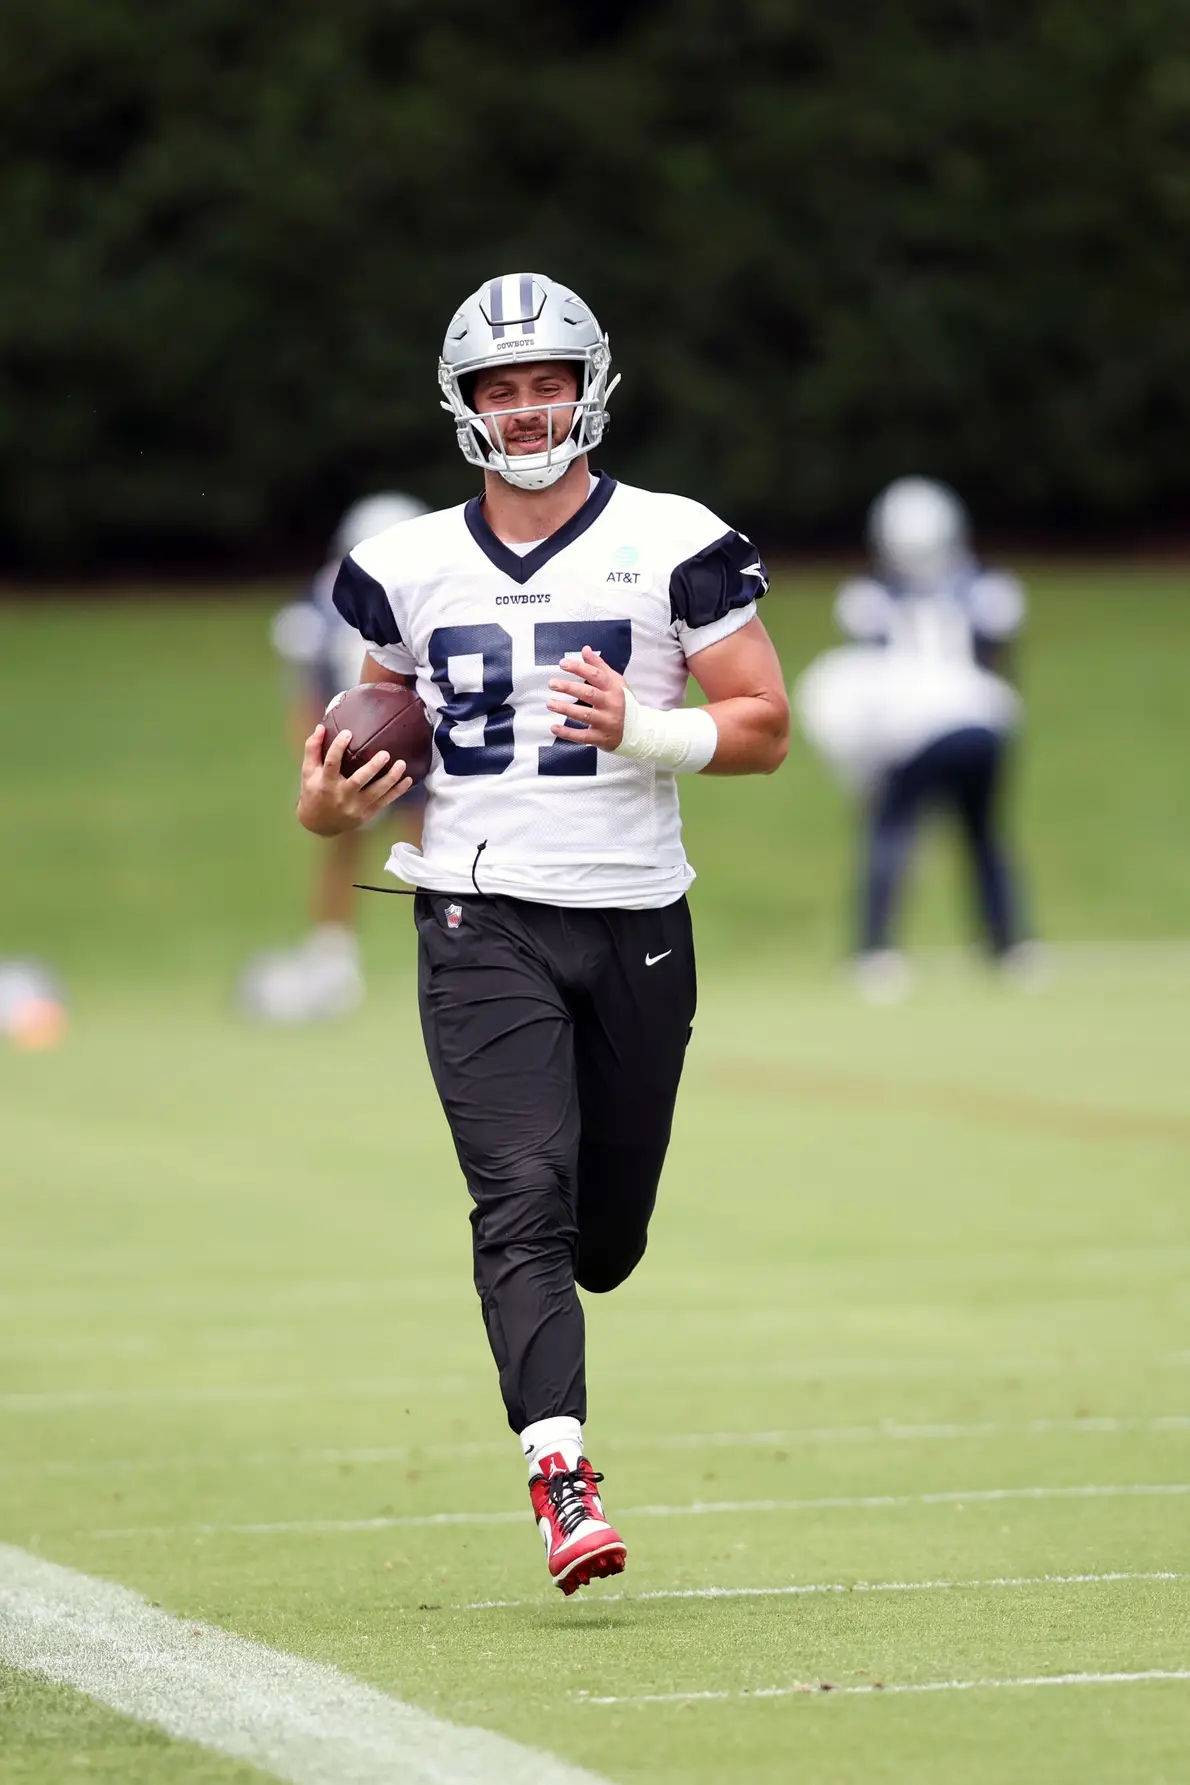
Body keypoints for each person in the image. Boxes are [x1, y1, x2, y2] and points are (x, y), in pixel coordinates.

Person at [294, 273, 789, 1593]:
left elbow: (764, 727)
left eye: (545, 382)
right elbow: (359, 744)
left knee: (601, 1236)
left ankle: (554, 1310)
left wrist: (640, 727)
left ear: (589, 384)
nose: (526, 411)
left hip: (632, 915)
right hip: (473, 912)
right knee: (519, 1189)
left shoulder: (676, 539)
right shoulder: (403, 565)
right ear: (466, 407)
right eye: (499, 391)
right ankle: (560, 1470)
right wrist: (322, 798)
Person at [796, 476, 1034, 1000]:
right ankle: (1010, 946)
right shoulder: (991, 590)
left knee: (890, 831)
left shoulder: (868, 598)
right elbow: (1000, 670)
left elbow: (865, 680)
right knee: (985, 835)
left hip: (910, 731)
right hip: (985, 727)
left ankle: (876, 951)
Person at [238, 494, 427, 1022]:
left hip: (428, 740)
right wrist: (316, 758)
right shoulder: (324, 602)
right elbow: (307, 688)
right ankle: (332, 960)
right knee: (343, 845)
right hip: (353, 741)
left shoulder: (437, 588)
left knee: (436, 843)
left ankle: (459, 945)